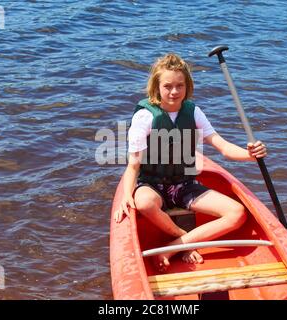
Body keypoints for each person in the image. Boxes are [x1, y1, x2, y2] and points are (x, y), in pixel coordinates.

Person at [114, 53, 267, 271]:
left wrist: (250, 154)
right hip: (152, 184)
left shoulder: (193, 112)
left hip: (184, 184)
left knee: (237, 213)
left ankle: (173, 246)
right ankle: (184, 238)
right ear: (157, 87)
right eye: (167, 86)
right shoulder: (145, 117)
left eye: (180, 85)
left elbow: (222, 146)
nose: (174, 91)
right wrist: (126, 196)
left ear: (187, 86)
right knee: (145, 203)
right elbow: (133, 165)